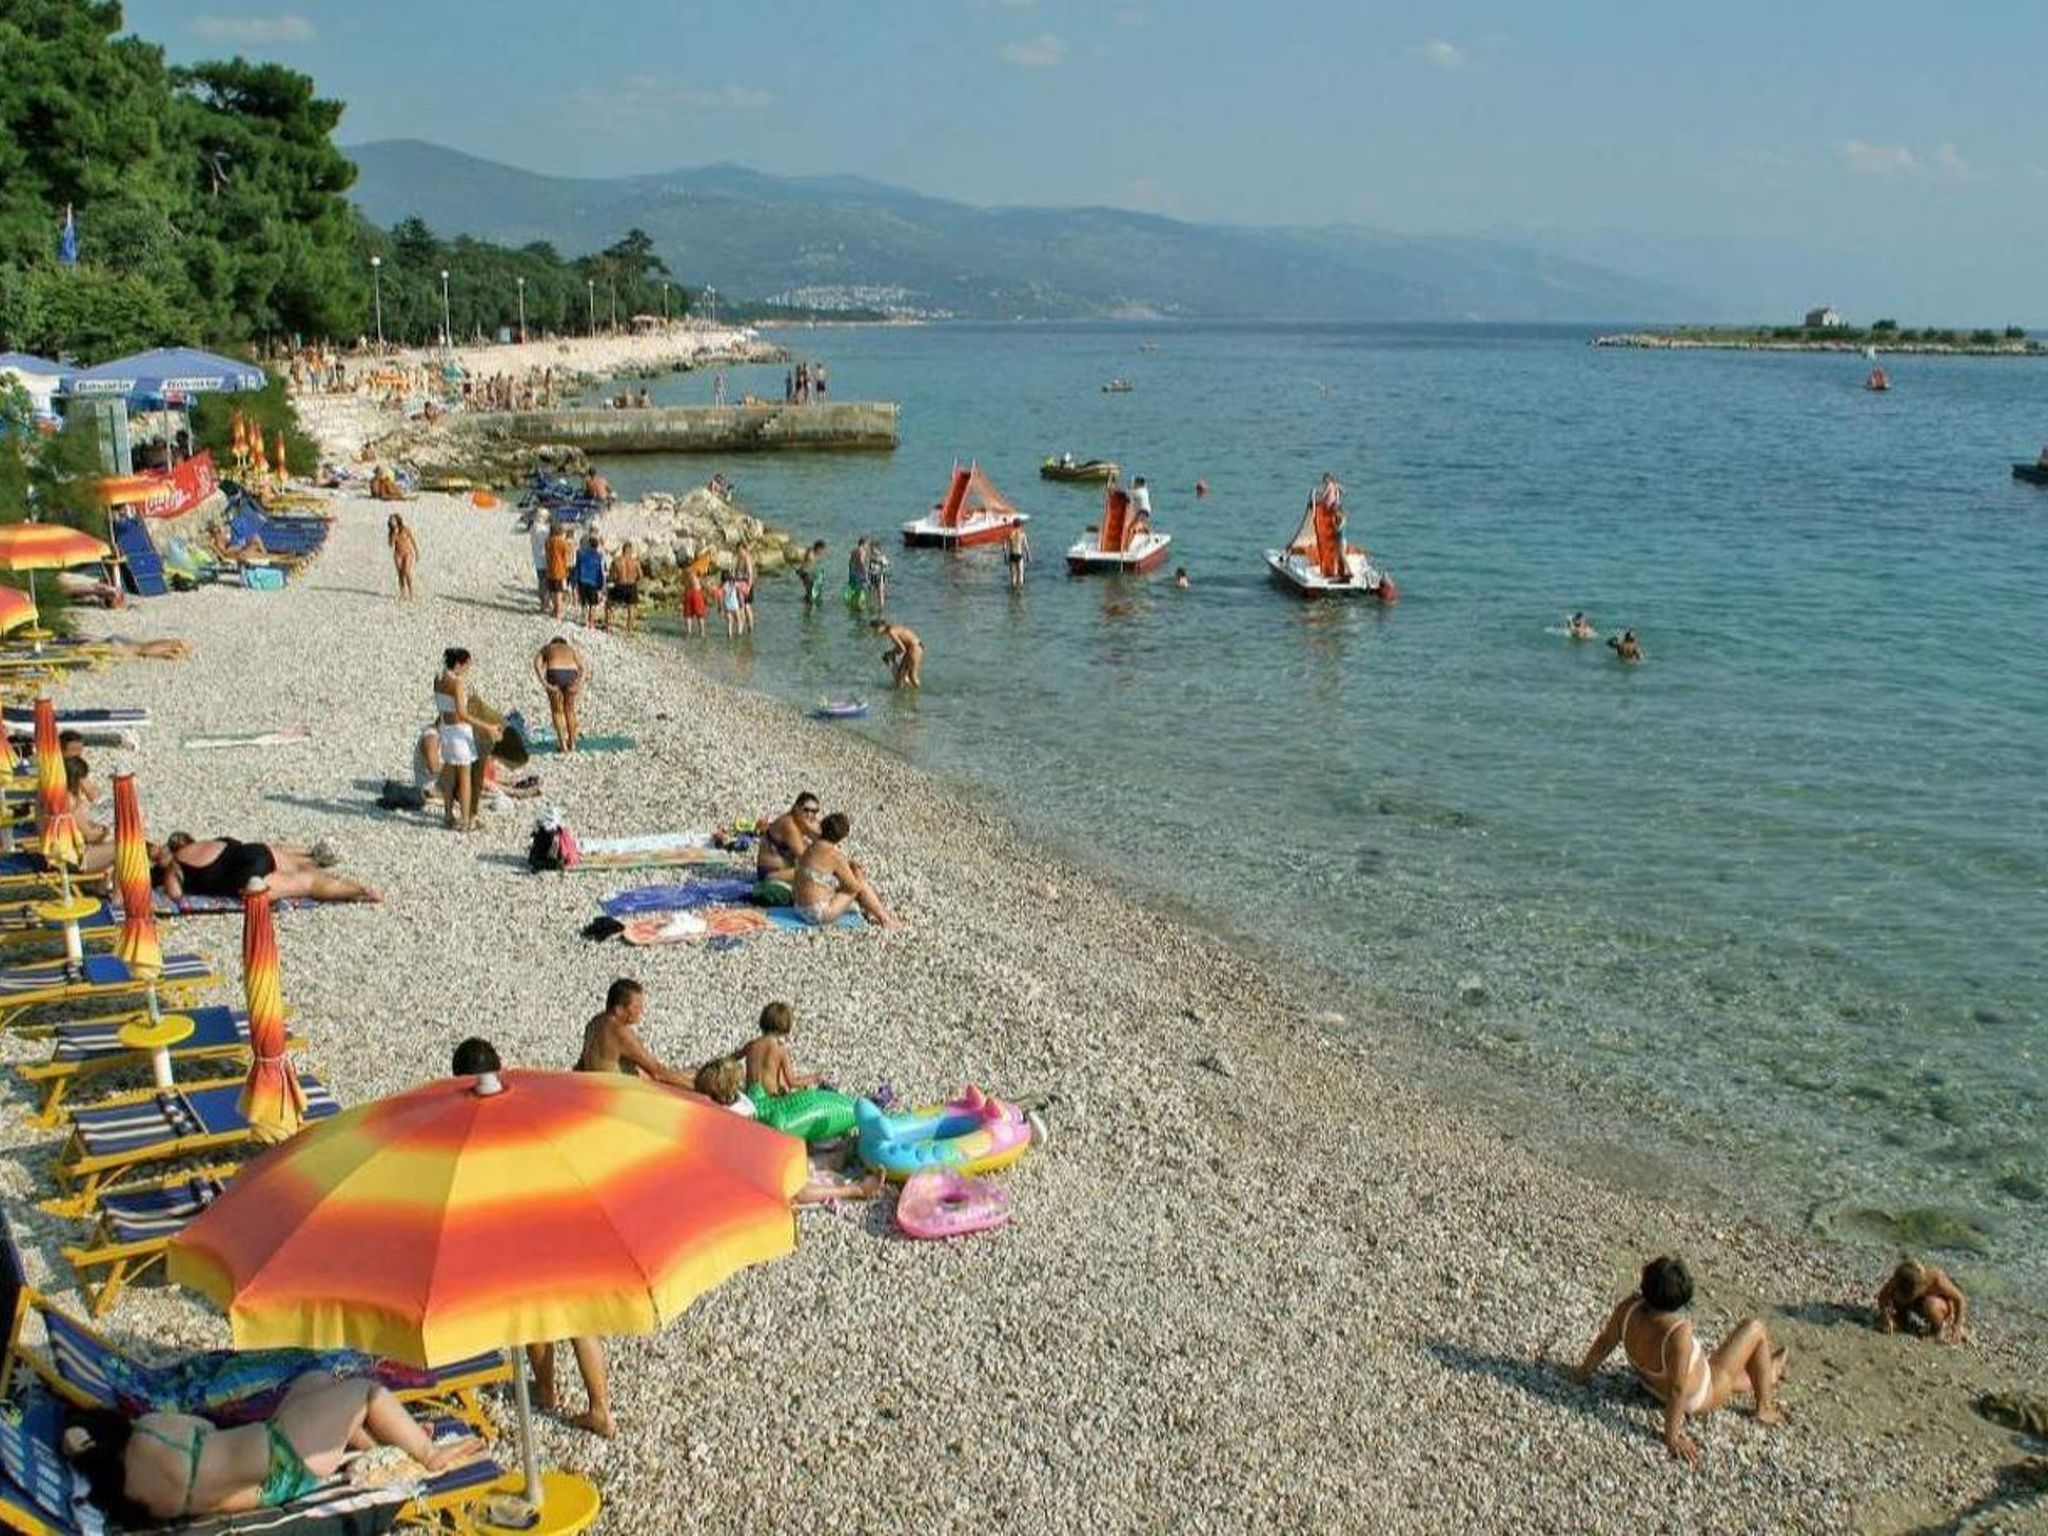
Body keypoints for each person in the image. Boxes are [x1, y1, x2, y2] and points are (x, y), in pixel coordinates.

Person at [451, 1033, 614, 1438]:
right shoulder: (528, 1099)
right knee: (579, 1320)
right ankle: (600, 1410)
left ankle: (544, 1391)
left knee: (535, 1319)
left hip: (521, 1227)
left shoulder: (467, 1121)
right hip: (562, 1215)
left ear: (460, 1079)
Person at [61, 1374, 482, 1524]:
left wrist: (80, 1449)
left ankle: (381, 1453)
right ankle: (426, 1453)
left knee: (314, 1381)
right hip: (288, 1451)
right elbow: (204, 1424)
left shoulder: (131, 1499)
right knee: (364, 1392)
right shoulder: (151, 1433)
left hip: (275, 1484)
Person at [1570, 1255, 1788, 1465]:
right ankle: (1763, 1407)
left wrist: (1581, 1374)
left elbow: (1604, 1342)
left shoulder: (1628, 1308)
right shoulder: (1677, 1333)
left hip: (1650, 1383)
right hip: (1702, 1394)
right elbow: (1677, 1389)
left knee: (1735, 1375)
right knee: (1755, 1329)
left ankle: (1771, 1369)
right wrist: (1672, 1437)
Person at [155, 833, 380, 903]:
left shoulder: (175, 866)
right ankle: (316, 859)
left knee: (309, 884)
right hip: (255, 852)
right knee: (304, 869)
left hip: (241, 880)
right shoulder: (211, 841)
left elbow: (175, 896)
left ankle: (361, 891)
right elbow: (239, 845)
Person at [792, 812, 904, 929]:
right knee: (859, 884)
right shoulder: (834, 855)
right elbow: (853, 887)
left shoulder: (812, 847)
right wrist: (859, 876)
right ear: (842, 836)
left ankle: (873, 912)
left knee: (846, 885)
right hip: (816, 914)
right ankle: (885, 919)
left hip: (799, 908)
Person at [576, 978, 696, 1087]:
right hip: (617, 1093)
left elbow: (582, 1065)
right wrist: (697, 1089)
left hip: (594, 1088)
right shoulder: (619, 1032)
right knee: (683, 1078)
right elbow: (656, 1071)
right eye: (636, 1007)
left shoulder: (594, 1023)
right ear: (619, 1010)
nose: (641, 1011)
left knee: (690, 1073)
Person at [433, 647, 486, 832]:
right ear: (458, 664)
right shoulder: (457, 683)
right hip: (458, 733)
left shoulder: (438, 680)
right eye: (466, 665)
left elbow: (441, 707)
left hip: (445, 730)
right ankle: (465, 820)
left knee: (449, 775)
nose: (467, 669)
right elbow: (462, 713)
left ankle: (448, 815)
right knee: (465, 778)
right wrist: (486, 727)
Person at [739, 1000, 822, 1096]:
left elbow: (731, 1059)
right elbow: (792, 1082)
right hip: (770, 1099)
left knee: (779, 1077)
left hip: (751, 1096)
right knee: (794, 1087)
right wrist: (815, 1078)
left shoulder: (751, 1045)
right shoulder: (780, 1050)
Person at [1876, 1259, 1970, 1343]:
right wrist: (1885, 1316)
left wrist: (1957, 1327)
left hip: (1939, 1305)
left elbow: (1959, 1299)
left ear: (1920, 1288)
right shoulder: (1901, 1277)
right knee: (1896, 1294)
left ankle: (1935, 1332)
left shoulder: (1937, 1280)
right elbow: (1882, 1296)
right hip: (1916, 1302)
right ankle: (1902, 1318)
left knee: (1931, 1304)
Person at [532, 635, 588, 754]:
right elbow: (583, 668)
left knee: (557, 711)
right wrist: (578, 684)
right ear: (564, 643)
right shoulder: (570, 649)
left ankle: (563, 745)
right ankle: (572, 743)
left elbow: (536, 663)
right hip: (571, 673)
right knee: (570, 710)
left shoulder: (547, 648)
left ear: (553, 642)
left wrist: (545, 683)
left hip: (555, 672)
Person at [755, 793, 822, 891]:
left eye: (814, 811)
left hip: (784, 870)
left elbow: (825, 840)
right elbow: (803, 856)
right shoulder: (788, 825)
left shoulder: (800, 821)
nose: (810, 814)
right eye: (806, 810)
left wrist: (813, 830)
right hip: (770, 873)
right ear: (796, 808)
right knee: (813, 874)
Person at [871, 618, 922, 690]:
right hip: (911, 648)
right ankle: (908, 694)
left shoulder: (891, 632)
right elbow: (902, 646)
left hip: (915, 648)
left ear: (881, 627)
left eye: (875, 629)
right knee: (900, 675)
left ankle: (917, 695)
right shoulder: (892, 629)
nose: (875, 633)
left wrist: (890, 654)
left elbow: (902, 649)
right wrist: (891, 654)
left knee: (912, 676)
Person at [609, 541, 643, 636]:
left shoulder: (616, 561)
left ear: (622, 550)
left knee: (610, 604)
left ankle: (609, 626)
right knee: (631, 608)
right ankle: (629, 630)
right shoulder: (635, 562)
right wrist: (635, 581)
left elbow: (611, 575)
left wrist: (615, 580)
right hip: (631, 585)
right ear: (630, 550)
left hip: (620, 585)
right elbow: (641, 575)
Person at [573, 534, 606, 629]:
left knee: (584, 602)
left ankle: (585, 620)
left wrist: (575, 582)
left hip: (582, 580)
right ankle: (591, 623)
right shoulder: (599, 556)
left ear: (588, 544)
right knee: (593, 604)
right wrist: (601, 586)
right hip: (593, 582)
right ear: (597, 546)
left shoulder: (580, 553)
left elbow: (577, 568)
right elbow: (601, 571)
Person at [543, 522, 572, 621]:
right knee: (558, 593)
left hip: (550, 569)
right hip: (560, 570)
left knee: (553, 592)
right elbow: (567, 557)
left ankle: (555, 610)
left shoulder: (548, 541)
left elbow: (547, 555)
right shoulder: (563, 543)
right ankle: (558, 613)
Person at [386, 512, 417, 600]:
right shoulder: (392, 533)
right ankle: (402, 592)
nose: (393, 523)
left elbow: (412, 540)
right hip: (398, 554)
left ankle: (411, 592)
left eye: (394, 521)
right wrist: (393, 535)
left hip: (407, 553)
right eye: (391, 521)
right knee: (400, 574)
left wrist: (416, 552)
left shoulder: (405, 529)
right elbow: (391, 545)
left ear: (397, 521)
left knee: (407, 571)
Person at [529, 515, 555, 611]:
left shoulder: (533, 528)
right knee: (546, 582)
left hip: (537, 559)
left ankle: (543, 603)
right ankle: (545, 603)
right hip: (545, 559)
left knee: (541, 582)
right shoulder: (543, 530)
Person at [732, 544, 757, 635]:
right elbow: (736, 572)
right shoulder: (739, 559)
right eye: (737, 550)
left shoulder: (747, 559)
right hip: (739, 584)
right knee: (743, 606)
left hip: (745, 584)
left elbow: (750, 574)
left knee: (746, 606)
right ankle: (745, 626)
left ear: (744, 549)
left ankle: (750, 626)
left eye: (740, 550)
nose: (738, 552)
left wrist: (749, 587)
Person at [681, 565, 708, 637]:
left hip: (688, 593)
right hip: (696, 593)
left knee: (688, 615)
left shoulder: (685, 574)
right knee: (700, 615)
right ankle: (702, 632)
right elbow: (703, 585)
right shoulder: (695, 574)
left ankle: (689, 632)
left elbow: (684, 584)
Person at [798, 540, 826, 607]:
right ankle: (808, 606)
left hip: (805, 573)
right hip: (805, 574)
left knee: (809, 591)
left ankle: (806, 604)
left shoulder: (811, 551)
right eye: (821, 550)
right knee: (810, 591)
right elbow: (807, 565)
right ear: (818, 548)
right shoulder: (811, 555)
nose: (822, 552)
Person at [846, 536, 871, 608]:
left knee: (853, 589)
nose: (868, 547)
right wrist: (865, 572)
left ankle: (853, 603)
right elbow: (861, 562)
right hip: (859, 573)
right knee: (861, 590)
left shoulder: (854, 550)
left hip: (852, 572)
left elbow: (850, 562)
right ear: (864, 543)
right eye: (867, 544)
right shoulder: (862, 551)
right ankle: (859, 606)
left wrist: (851, 571)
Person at [1006, 522, 1031, 590]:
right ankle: (1020, 592)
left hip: (1012, 555)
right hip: (1019, 555)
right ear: (1020, 525)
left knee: (1013, 576)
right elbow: (1026, 546)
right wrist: (1028, 555)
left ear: (1013, 525)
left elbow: (1005, 546)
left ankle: (1013, 591)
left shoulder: (1010, 534)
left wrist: (1005, 556)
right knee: (1020, 575)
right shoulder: (1022, 534)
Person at [719, 570, 743, 639]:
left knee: (730, 621)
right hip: (735, 604)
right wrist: (741, 603)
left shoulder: (722, 585)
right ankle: (739, 634)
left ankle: (729, 635)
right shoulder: (733, 583)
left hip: (727, 605)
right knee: (739, 620)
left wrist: (720, 607)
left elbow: (720, 597)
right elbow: (740, 591)